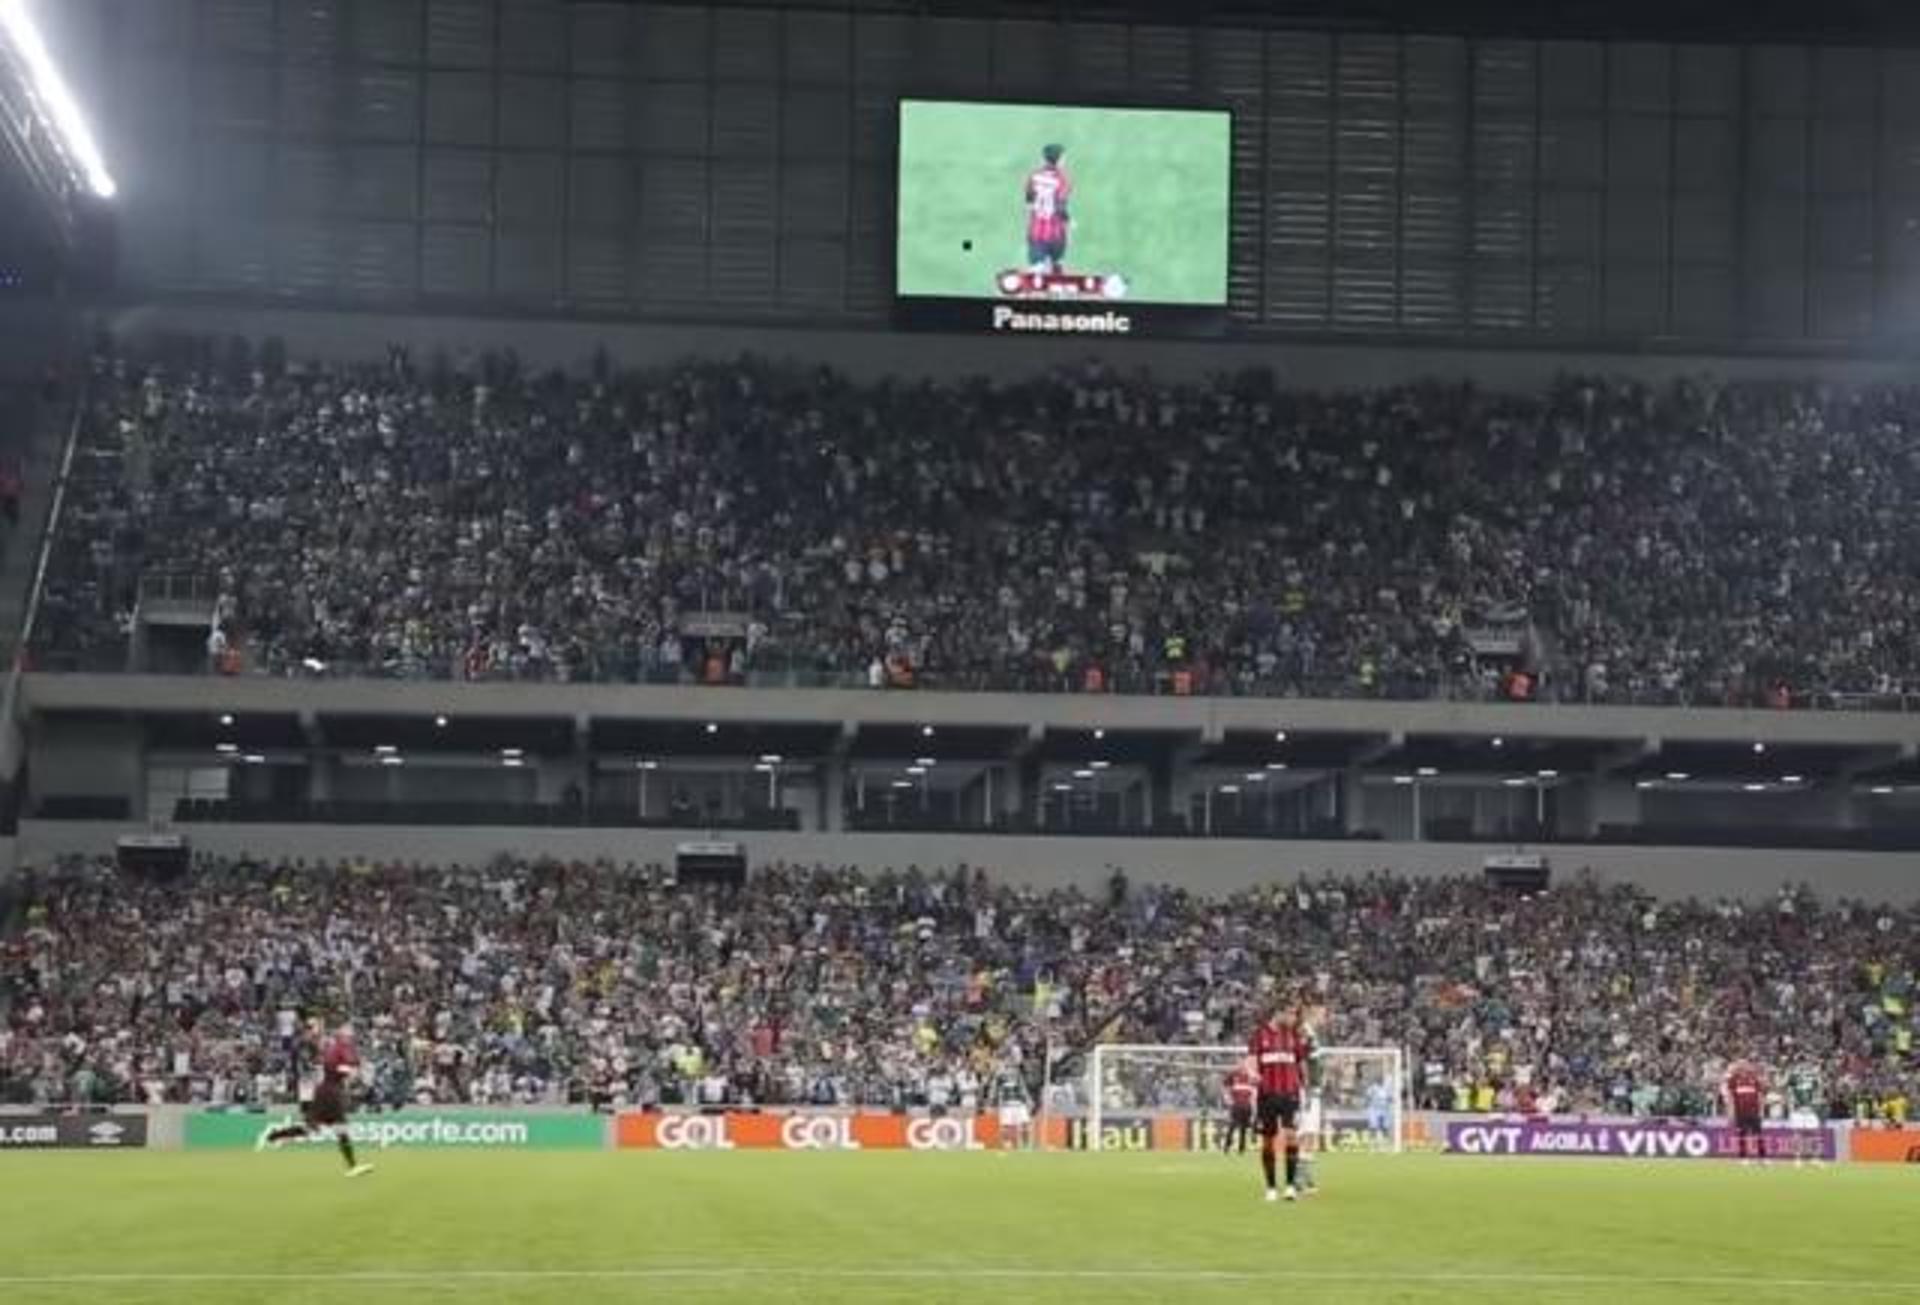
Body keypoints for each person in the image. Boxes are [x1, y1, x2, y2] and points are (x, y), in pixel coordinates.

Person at [258, 1021, 375, 1178]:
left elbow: (350, 1065)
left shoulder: (343, 1049)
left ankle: (274, 1136)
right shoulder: (336, 1049)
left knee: (311, 1129)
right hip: (329, 1093)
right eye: (348, 1033)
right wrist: (350, 1070)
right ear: (342, 1035)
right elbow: (332, 1066)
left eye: (351, 1033)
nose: (350, 1036)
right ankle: (351, 1166)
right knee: (340, 1129)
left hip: (329, 1092)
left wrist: (354, 1070)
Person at [1246, 1001, 1313, 1202]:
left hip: (1290, 1094)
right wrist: (1252, 1073)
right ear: (1278, 1013)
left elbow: (1301, 1062)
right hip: (1266, 1095)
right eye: (1290, 1014)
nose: (1293, 1018)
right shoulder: (1259, 1035)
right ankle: (1271, 1187)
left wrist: (1305, 1085)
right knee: (1268, 1140)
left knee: (1291, 1136)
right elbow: (1250, 1060)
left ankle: (1291, 1186)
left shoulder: (1293, 1036)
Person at [1024, 144, 1071, 275]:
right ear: (1060, 159)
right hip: (1056, 234)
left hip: (1036, 233)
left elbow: (1029, 199)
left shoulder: (1034, 175)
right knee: (1057, 268)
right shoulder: (1062, 179)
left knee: (1035, 272)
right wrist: (1069, 221)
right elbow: (1060, 206)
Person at [1724, 1059, 1766, 1165]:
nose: (1743, 1067)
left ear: (1748, 1066)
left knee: (1759, 1135)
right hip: (1740, 1113)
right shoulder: (1733, 1080)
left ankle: (1762, 1158)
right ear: (1737, 1067)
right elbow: (1730, 1097)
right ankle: (1743, 1158)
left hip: (1754, 1112)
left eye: (1745, 1064)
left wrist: (1761, 1111)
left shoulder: (1754, 1079)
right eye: (1740, 1065)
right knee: (1742, 1135)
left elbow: (1760, 1096)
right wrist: (1731, 1112)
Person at [1220, 1066, 1255, 1156]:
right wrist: (1227, 1098)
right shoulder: (1234, 1074)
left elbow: (1255, 1089)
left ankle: (1241, 1149)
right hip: (1236, 1105)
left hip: (1247, 1106)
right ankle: (1226, 1147)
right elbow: (1224, 1085)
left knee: (1243, 1128)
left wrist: (1253, 1104)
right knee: (1232, 1126)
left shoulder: (1251, 1075)